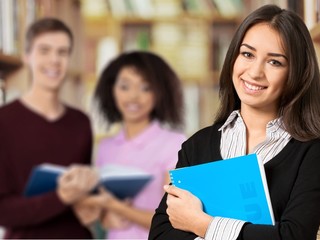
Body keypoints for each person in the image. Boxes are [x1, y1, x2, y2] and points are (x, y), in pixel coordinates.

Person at [148, 4, 320, 240]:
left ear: (296, 74)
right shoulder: (197, 145)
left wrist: (202, 224)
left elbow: (294, 236)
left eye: (275, 62)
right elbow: (160, 234)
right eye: (247, 54)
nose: (255, 72)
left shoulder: (314, 153)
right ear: (233, 58)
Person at [0, 18, 98, 238]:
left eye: (62, 52)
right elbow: (2, 210)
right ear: (27, 57)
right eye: (44, 50)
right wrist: (61, 197)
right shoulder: (4, 121)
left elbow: (82, 197)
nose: (54, 60)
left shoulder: (81, 122)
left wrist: (95, 206)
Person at [74, 51, 186, 239]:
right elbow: (100, 212)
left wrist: (116, 207)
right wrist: (104, 216)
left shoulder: (175, 144)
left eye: (145, 87)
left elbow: (174, 220)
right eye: (124, 86)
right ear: (111, 89)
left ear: (159, 93)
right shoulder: (106, 147)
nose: (133, 96)